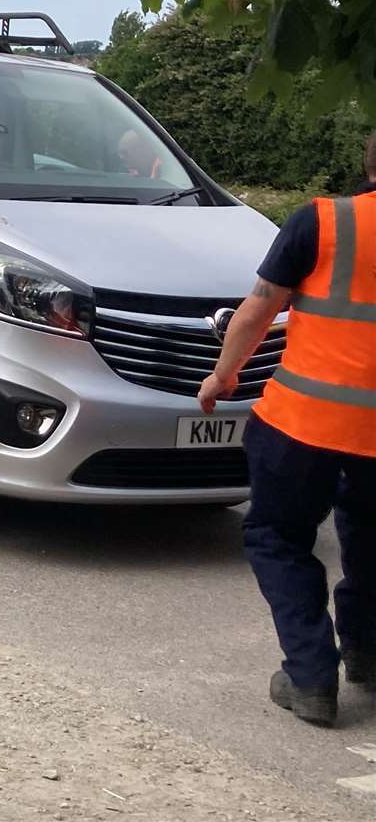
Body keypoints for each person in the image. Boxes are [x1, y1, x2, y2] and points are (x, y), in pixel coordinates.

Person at [199, 133, 376, 727]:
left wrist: (223, 379)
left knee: (279, 538)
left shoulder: (324, 222)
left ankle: (311, 679)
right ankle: (367, 655)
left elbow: (258, 309)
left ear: (368, 162)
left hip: (303, 424)